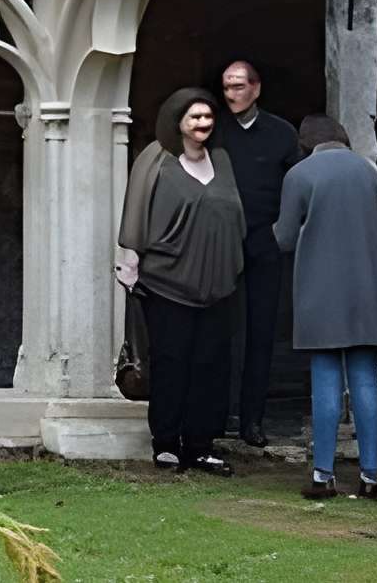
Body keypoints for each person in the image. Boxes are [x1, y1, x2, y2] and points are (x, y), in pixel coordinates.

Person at [271, 112, 377, 500]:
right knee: (365, 379)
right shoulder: (370, 171)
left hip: (320, 293)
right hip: (371, 289)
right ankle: (371, 475)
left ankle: (323, 475)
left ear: (305, 143)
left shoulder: (299, 174)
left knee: (326, 381)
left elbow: (284, 237)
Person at [117, 85, 248, 475]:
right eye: (195, 116)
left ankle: (200, 445)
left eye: (208, 116)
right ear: (178, 121)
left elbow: (235, 214)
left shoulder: (221, 160)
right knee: (171, 364)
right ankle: (166, 444)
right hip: (167, 284)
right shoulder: (156, 159)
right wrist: (129, 261)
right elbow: (136, 212)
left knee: (210, 367)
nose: (203, 122)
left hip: (217, 286)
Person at [212, 57, 301, 446]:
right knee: (220, 330)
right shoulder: (214, 131)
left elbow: (296, 186)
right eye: (226, 87)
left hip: (265, 243)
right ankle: (217, 415)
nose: (232, 94)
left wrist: (282, 233)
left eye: (238, 86)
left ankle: (252, 420)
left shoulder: (282, 133)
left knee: (261, 331)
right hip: (221, 243)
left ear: (256, 88)